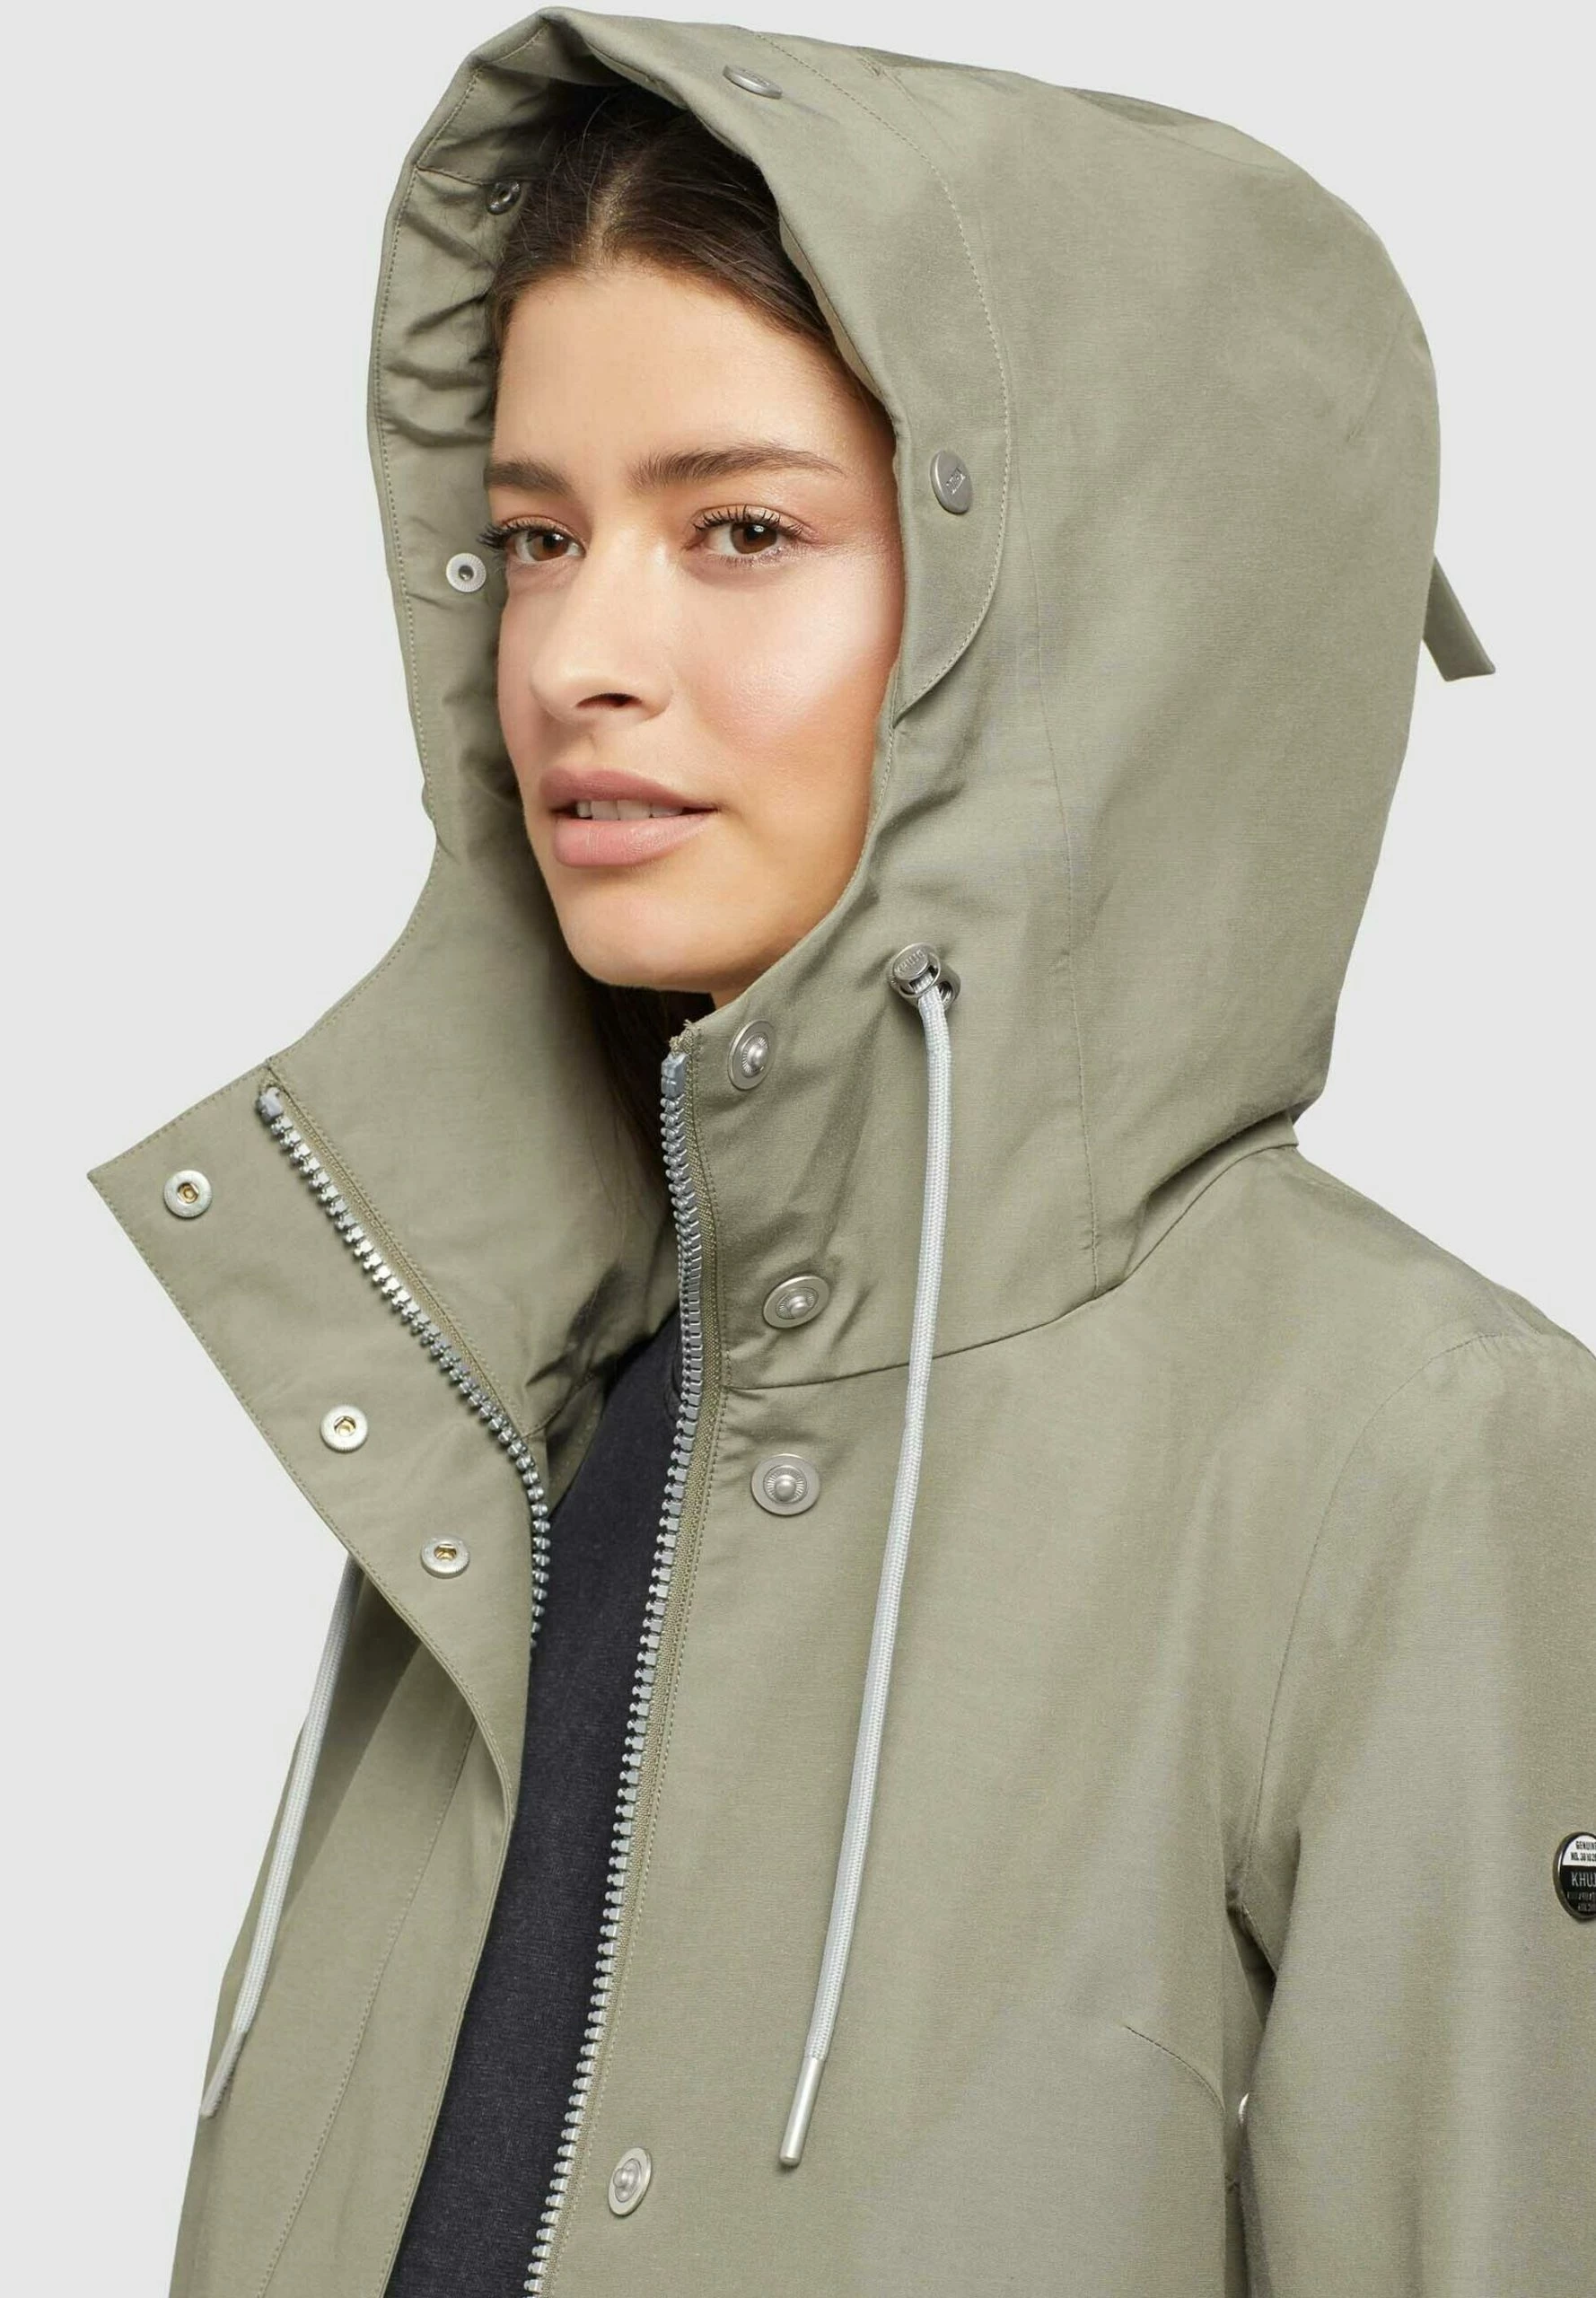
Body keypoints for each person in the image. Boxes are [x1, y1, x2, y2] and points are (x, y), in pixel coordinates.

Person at [85, 13, 1594, 2298]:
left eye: (742, 529)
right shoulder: (506, 1406)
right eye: (533, 537)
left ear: (1094, 613)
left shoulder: (1411, 1460)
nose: (576, 655)